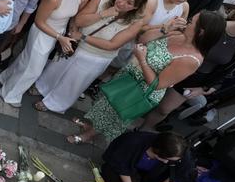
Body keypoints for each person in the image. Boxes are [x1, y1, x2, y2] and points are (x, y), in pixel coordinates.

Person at [70, 11, 225, 145]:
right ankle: (90, 126)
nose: (187, 21)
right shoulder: (178, 33)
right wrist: (165, 28)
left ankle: (88, 136)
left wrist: (142, 59)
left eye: (192, 21)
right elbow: (143, 39)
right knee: (105, 104)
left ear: (201, 32)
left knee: (114, 113)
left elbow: (157, 84)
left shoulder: (191, 59)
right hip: (128, 76)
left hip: (140, 90)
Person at [34, 0, 149, 114]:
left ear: (135, 8)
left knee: (74, 82)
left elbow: (113, 45)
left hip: (97, 56)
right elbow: (79, 20)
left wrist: (83, 37)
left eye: (129, 3)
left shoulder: (136, 22)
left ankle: (55, 103)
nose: (122, 3)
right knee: (57, 68)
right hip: (75, 45)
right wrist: (103, 14)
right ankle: (42, 87)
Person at [0, 0, 95, 107]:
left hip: (58, 34)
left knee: (27, 60)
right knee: (34, 69)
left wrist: (71, 32)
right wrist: (59, 37)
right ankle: (10, 94)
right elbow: (39, 22)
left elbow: (73, 16)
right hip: (42, 33)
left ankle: (4, 77)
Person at [100, 131, 194, 182]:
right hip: (131, 166)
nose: (167, 162)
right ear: (158, 151)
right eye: (167, 159)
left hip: (156, 174)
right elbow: (121, 164)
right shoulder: (134, 141)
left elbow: (183, 172)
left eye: (173, 161)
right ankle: (135, 179)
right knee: (109, 176)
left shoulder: (181, 151)